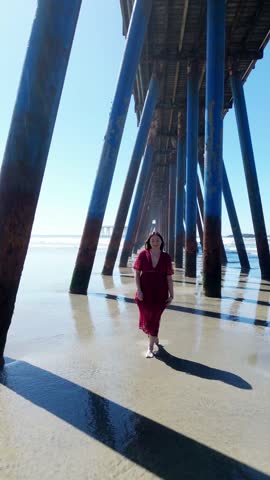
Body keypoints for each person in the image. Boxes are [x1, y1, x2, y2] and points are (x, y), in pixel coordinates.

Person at [133, 232, 174, 358]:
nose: (155, 242)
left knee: (155, 318)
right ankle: (153, 335)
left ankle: (150, 348)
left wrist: (172, 295)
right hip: (145, 292)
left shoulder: (166, 257)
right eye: (153, 240)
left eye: (157, 240)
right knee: (148, 317)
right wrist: (139, 290)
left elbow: (169, 278)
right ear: (149, 242)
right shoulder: (142, 255)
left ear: (161, 242)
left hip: (160, 292)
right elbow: (137, 274)